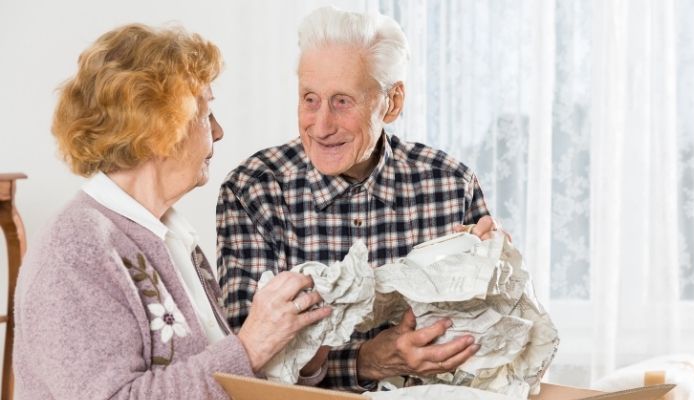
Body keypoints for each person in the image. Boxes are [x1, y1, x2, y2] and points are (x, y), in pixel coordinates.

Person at [13, 23, 331, 399]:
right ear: (159, 126)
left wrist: (298, 352)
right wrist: (249, 346)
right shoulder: (75, 251)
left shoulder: (171, 238)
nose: (218, 132)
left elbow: (218, 382)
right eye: (206, 113)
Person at [216, 6, 503, 392]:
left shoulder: (451, 184)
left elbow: (492, 342)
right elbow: (248, 371)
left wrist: (498, 275)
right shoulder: (254, 191)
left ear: (393, 102)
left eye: (342, 101)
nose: (320, 126)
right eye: (310, 99)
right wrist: (366, 362)